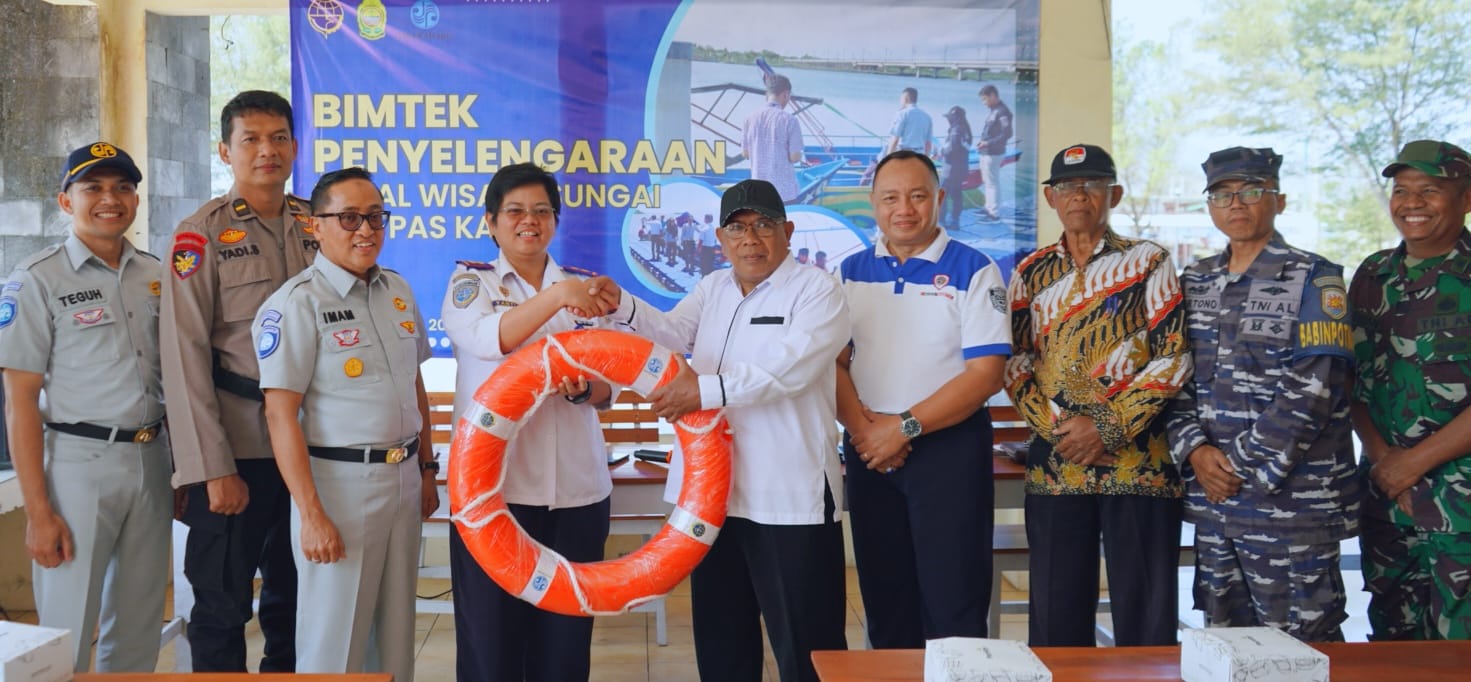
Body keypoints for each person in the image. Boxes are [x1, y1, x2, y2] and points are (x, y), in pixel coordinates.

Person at [594, 178, 850, 681]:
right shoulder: (713, 287)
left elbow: (788, 370)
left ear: (788, 230)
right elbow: (670, 333)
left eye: (764, 225)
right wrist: (621, 304)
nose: (750, 238)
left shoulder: (819, 291)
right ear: (721, 237)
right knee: (721, 639)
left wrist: (702, 392)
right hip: (712, 495)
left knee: (808, 645)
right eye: (737, 228)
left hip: (789, 498)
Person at [1163, 147, 1360, 641]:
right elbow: (1171, 375)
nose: (1236, 203)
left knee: (1302, 648)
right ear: (1209, 204)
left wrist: (1233, 466)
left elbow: (1315, 387)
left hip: (1292, 508)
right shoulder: (1194, 281)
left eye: (1252, 191)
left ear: (1280, 200)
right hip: (1216, 508)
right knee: (1225, 643)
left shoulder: (1316, 277)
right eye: (1222, 194)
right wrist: (1197, 452)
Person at [253, 167, 438, 682]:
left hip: (403, 481)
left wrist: (427, 468)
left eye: (376, 217)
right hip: (339, 489)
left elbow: (414, 386)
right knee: (335, 642)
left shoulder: (396, 289)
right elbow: (279, 414)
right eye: (350, 218)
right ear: (315, 226)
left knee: (396, 635)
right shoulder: (297, 304)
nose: (366, 230)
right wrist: (310, 515)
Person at [440, 163, 623, 682]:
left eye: (542, 211)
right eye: (515, 211)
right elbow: (487, 340)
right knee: (492, 647)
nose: (530, 221)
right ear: (491, 222)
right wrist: (558, 298)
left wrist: (590, 389)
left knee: (564, 648)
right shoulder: (470, 282)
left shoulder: (585, 288)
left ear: (556, 221)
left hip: (577, 493)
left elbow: (613, 376)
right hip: (494, 495)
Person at [1005, 143, 1189, 647]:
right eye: (1067, 186)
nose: (1078, 195)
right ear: (1050, 197)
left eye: (1091, 184)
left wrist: (1104, 428)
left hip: (1140, 465)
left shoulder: (1149, 261)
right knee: (1056, 618)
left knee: (1147, 620)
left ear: (1114, 193)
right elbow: (1019, 362)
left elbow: (1173, 355)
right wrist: (1063, 434)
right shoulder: (1030, 272)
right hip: (1057, 466)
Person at [161, 90, 314, 672]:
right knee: (223, 606)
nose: (266, 150)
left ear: (295, 147)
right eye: (250, 139)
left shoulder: (317, 223)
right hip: (238, 448)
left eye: (278, 137)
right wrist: (210, 467)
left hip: (307, 445)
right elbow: (184, 357)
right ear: (225, 150)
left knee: (297, 601)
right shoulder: (200, 235)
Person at [0, 143, 168, 672]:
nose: (109, 199)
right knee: (66, 630)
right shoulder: (37, 278)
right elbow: (20, 402)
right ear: (65, 201)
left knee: (139, 623)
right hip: (78, 465)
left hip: (151, 459)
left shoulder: (156, 274)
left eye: (122, 187)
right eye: (92, 187)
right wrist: (39, 512)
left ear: (136, 200)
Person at [836, 150, 1011, 647]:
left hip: (947, 450)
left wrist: (902, 428)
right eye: (890, 197)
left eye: (917, 196)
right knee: (885, 598)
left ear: (939, 198)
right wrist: (866, 431)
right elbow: (832, 364)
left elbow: (986, 374)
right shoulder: (848, 272)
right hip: (870, 450)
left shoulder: (974, 270)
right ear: (872, 203)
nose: (904, 209)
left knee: (952, 600)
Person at [1349, 139, 1471, 640]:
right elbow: (1352, 380)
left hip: (1459, 510)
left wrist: (1411, 464)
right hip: (1385, 504)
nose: (1412, 202)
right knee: (1391, 650)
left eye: (1430, 190)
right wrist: (1383, 461)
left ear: (1465, 198)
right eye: (1402, 190)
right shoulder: (1372, 275)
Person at [742, 73, 804, 202]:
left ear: (767, 95)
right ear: (786, 94)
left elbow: (746, 153)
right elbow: (795, 157)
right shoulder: (790, 120)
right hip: (783, 193)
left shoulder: (750, 118)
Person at [976, 85, 1013, 222]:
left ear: (992, 95)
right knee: (988, 182)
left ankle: (994, 213)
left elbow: (1007, 133)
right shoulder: (994, 110)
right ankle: (988, 207)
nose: (984, 103)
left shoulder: (1002, 112)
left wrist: (988, 143)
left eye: (985, 99)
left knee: (992, 183)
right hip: (986, 152)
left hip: (993, 152)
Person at [937, 106, 973, 229]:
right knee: (957, 194)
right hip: (961, 168)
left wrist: (941, 152)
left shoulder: (956, 130)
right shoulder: (966, 130)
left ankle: (941, 221)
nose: (948, 120)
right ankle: (955, 221)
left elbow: (952, 149)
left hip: (950, 169)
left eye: (950, 117)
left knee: (942, 194)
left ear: (955, 117)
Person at [884, 87, 933, 158]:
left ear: (905, 98)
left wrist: (887, 159)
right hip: (919, 155)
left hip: (904, 155)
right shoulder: (927, 117)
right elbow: (928, 144)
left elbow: (895, 140)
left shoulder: (902, 114)